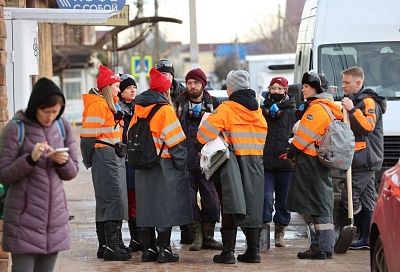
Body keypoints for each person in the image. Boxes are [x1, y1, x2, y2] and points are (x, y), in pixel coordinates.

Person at [0, 78, 79, 272]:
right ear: (35, 106)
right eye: (46, 111)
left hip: (55, 220)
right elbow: (3, 174)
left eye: (55, 111)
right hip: (23, 220)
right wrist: (30, 159)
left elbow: (72, 172)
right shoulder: (15, 129)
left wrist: (63, 161)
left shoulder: (63, 127)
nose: (50, 117)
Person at [197, 70, 268, 264]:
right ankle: (253, 251)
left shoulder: (227, 109)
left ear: (231, 88)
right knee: (253, 204)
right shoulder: (258, 110)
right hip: (255, 162)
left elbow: (203, 135)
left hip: (233, 162)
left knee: (230, 203)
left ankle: (228, 252)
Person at [128, 68, 192, 263]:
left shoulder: (138, 107)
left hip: (142, 164)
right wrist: (181, 164)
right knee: (165, 206)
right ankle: (164, 250)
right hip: (163, 164)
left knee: (146, 206)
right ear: (165, 91)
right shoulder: (165, 110)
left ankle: (148, 250)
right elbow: (176, 142)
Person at [283, 71, 342, 260]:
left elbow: (303, 137)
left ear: (315, 88)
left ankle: (322, 247)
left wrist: (291, 151)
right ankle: (321, 247)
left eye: (306, 86)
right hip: (319, 160)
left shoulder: (317, 109)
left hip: (311, 161)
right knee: (319, 203)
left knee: (318, 203)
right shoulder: (328, 107)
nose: (303, 89)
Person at [80, 65, 131, 261]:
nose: (119, 89)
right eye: (117, 86)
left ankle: (108, 245)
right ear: (108, 87)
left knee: (108, 201)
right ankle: (112, 247)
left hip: (110, 155)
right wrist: (89, 159)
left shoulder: (109, 105)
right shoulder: (99, 106)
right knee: (112, 200)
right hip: (105, 156)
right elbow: (87, 138)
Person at [175, 68, 222, 251]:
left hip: (208, 158)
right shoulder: (179, 104)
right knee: (188, 199)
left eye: (195, 82)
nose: (192, 86)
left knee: (212, 199)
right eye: (189, 83)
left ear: (203, 84)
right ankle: (197, 237)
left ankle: (209, 236)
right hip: (185, 158)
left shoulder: (214, 104)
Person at [340, 66, 386, 250]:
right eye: (343, 82)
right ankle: (367, 238)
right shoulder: (355, 100)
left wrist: (351, 110)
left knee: (348, 197)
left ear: (358, 83)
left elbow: (367, 127)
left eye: (347, 82)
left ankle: (361, 232)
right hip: (361, 158)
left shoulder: (367, 102)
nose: (343, 86)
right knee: (368, 199)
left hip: (365, 159)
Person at [154, 59, 192, 244]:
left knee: (186, 193)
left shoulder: (183, 94)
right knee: (168, 196)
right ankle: (163, 242)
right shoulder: (157, 95)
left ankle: (188, 233)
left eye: (167, 74)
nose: (165, 77)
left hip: (183, 146)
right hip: (168, 148)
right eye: (161, 74)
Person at [261, 76, 296, 247]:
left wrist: (292, 152)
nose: (275, 91)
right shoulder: (261, 110)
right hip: (266, 163)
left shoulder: (293, 111)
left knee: (283, 200)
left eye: (279, 88)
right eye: (273, 88)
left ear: (285, 91)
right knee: (266, 198)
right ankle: (264, 228)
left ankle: (280, 231)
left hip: (286, 164)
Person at [117, 73, 143, 252]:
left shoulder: (139, 108)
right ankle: (119, 239)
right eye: (128, 87)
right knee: (123, 199)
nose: (133, 90)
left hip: (136, 159)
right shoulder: (116, 110)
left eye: (134, 87)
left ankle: (137, 238)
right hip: (121, 159)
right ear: (120, 91)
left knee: (136, 199)